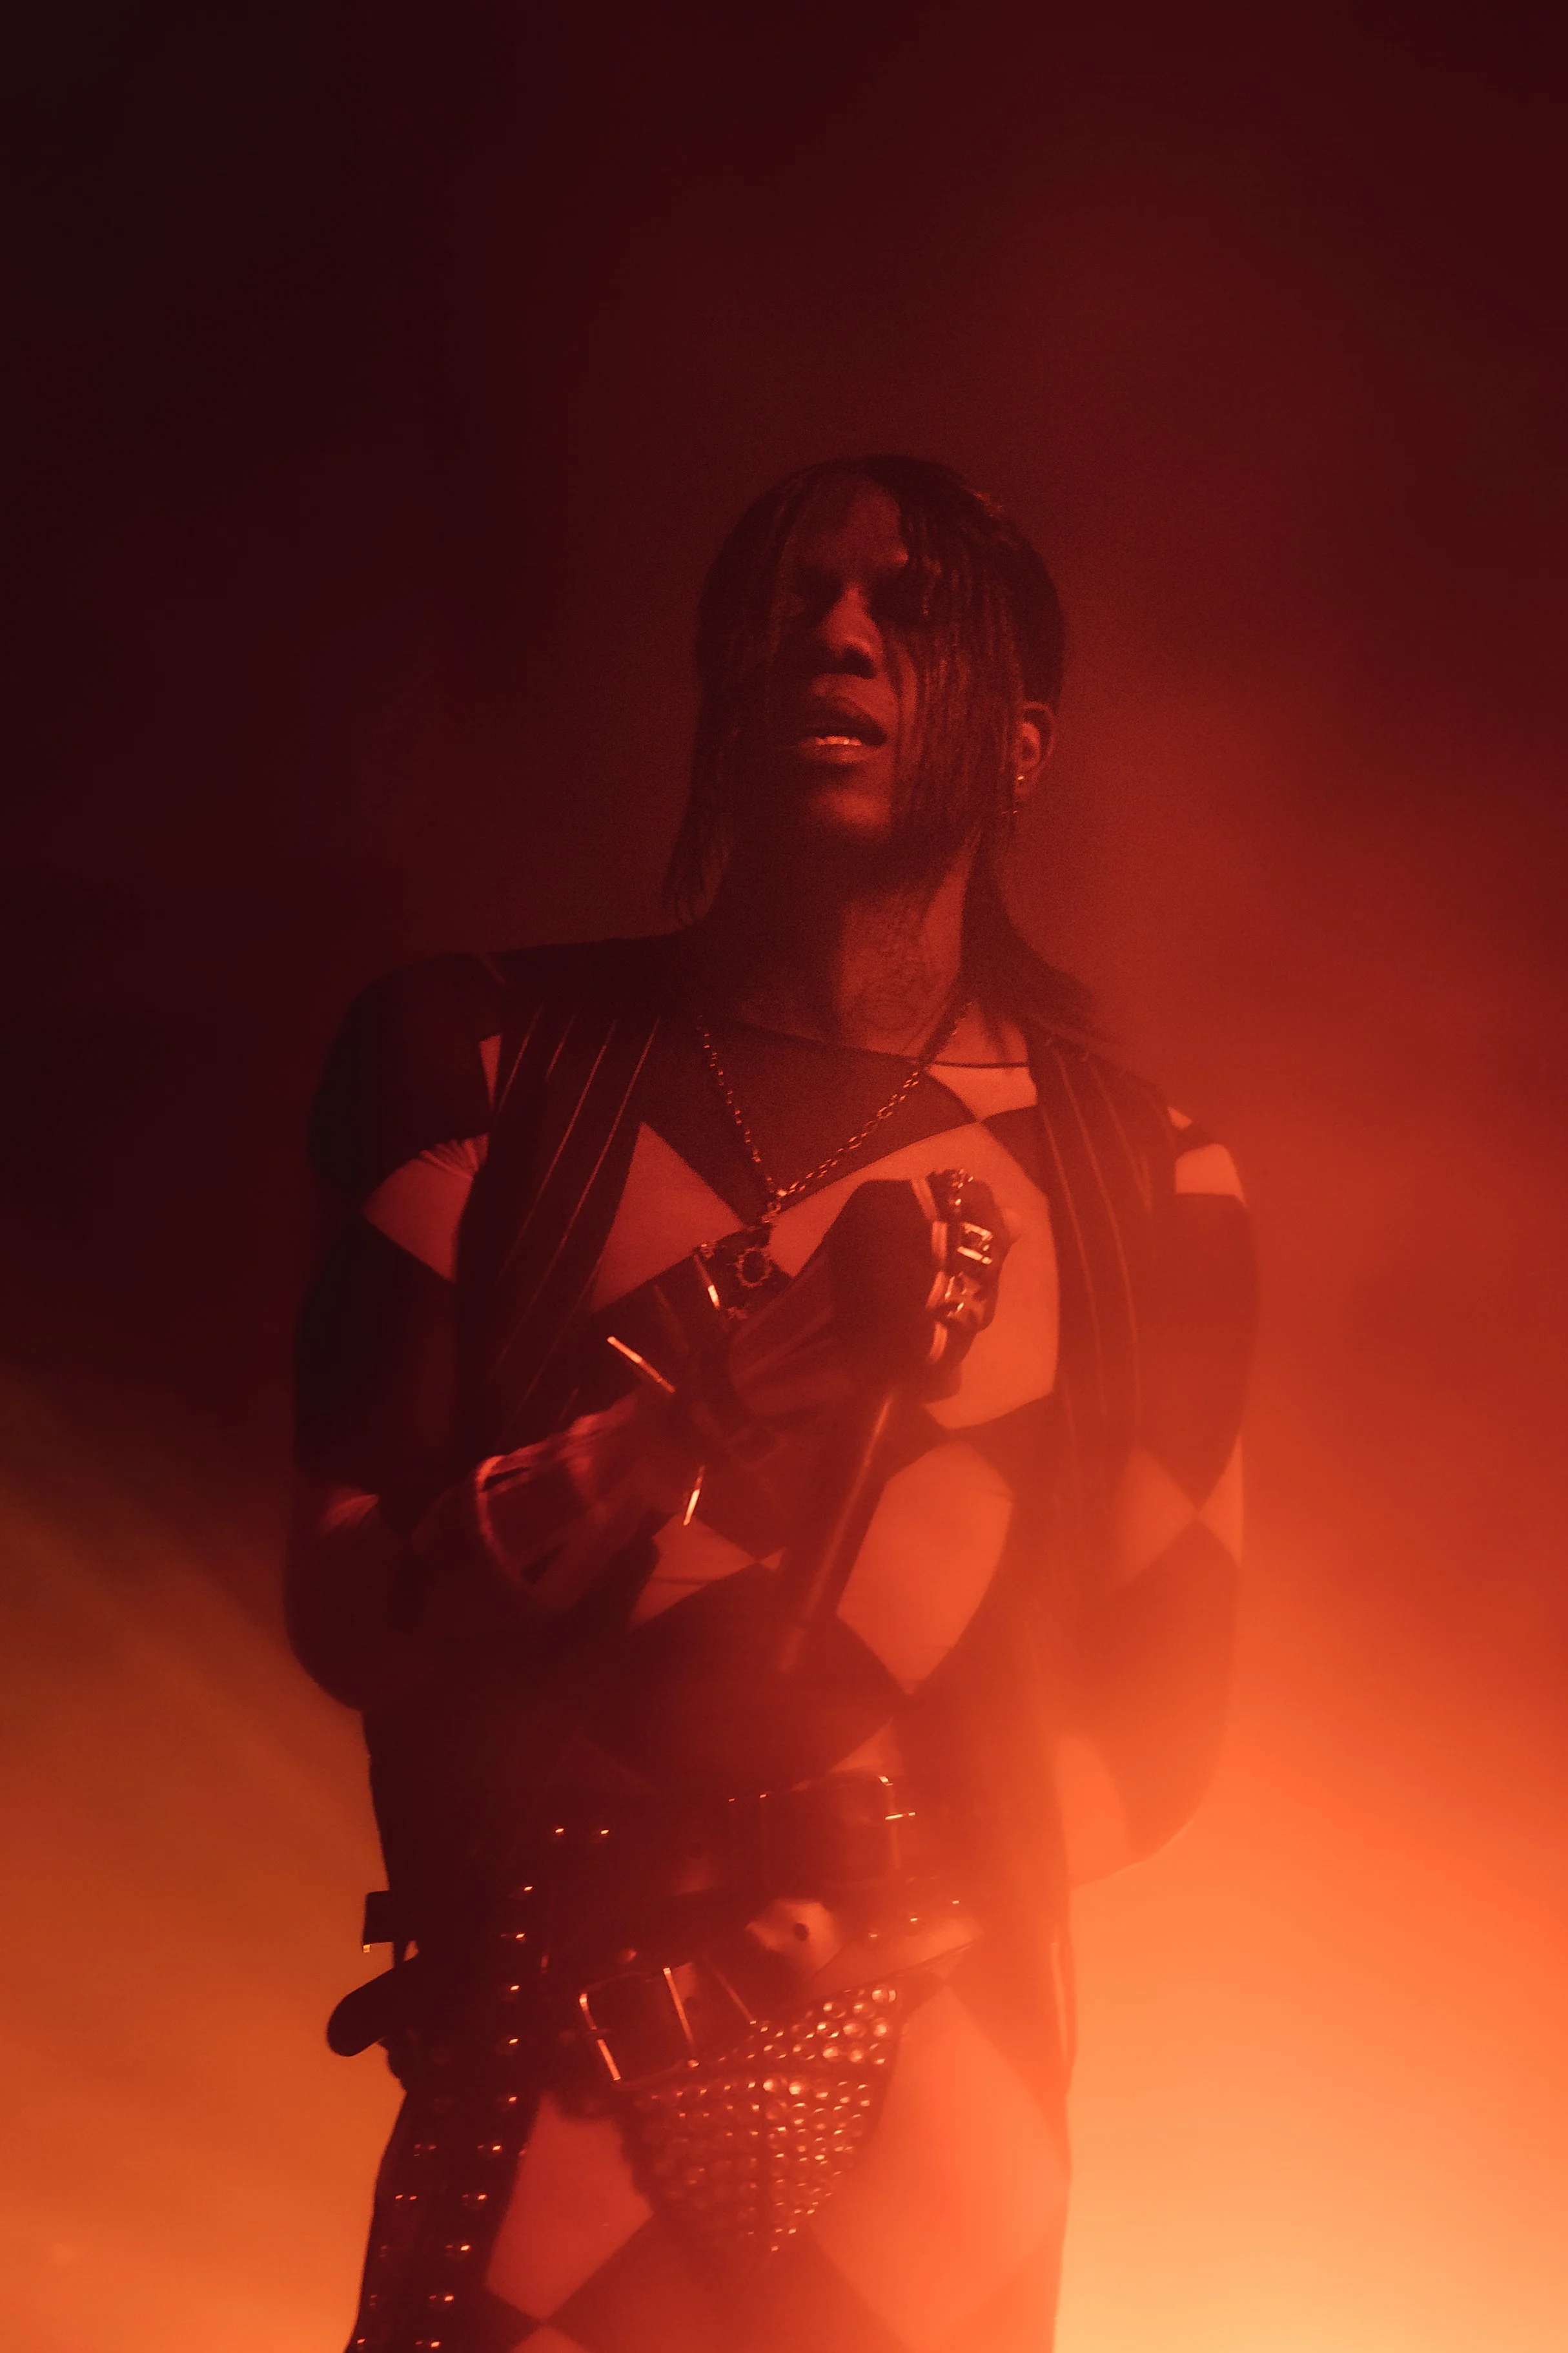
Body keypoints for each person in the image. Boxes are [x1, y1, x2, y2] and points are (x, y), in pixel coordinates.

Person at [289, 455, 1257, 2353]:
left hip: (946, 2108)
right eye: (792, 600)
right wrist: (660, 1435)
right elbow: (352, 1603)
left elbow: (1168, 1707)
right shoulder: (475, 1067)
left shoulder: (1150, 1179)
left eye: (911, 609)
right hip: (558, 2036)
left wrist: (870, 1899)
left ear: (1024, 744)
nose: (839, 635)